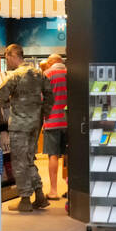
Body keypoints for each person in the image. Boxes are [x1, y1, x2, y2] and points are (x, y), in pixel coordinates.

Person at [0, 43, 54, 212]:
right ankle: (39, 195)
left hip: (19, 125)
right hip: (35, 123)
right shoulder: (38, 73)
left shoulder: (15, 76)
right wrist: (44, 113)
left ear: (13, 55)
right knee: (29, 159)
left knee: (19, 161)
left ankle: (25, 200)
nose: (7, 62)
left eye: (6, 58)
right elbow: (50, 95)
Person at [41, 54, 68, 200]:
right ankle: (71, 190)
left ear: (51, 62)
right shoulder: (71, 73)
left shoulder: (47, 74)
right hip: (69, 121)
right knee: (69, 157)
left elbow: (41, 98)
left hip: (52, 121)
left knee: (53, 155)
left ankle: (53, 190)